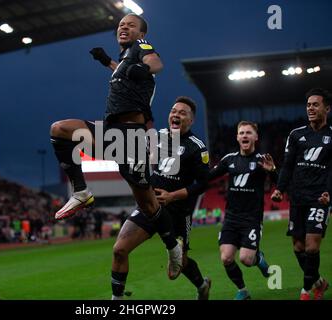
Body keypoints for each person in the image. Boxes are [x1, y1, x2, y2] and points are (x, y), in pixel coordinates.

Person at [49, 13, 182, 280]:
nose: (123, 27)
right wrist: (107, 61)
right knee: (60, 130)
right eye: (121, 24)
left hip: (131, 137)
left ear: (141, 33)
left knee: (148, 205)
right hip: (111, 132)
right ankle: (81, 191)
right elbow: (125, 71)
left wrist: (143, 68)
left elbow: (156, 65)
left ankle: (173, 247)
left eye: (130, 25)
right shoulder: (124, 59)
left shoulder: (142, 48)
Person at [111, 96, 211, 300]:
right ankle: (117, 300)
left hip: (178, 213)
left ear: (190, 121)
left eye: (182, 113)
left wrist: (173, 196)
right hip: (150, 206)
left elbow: (203, 184)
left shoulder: (197, 147)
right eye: (173, 111)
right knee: (120, 250)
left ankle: (202, 286)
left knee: (178, 268)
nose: (176, 114)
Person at [271, 88, 332, 300]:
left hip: (319, 198)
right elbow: (287, 166)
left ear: (327, 108)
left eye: (315, 104)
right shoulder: (296, 135)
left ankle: (305, 291)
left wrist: (329, 193)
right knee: (298, 247)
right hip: (297, 197)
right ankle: (318, 282)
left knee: (312, 246)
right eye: (308, 105)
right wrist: (279, 188)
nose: (311, 108)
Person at [209, 121, 275, 300]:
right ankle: (243, 290)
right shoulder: (229, 159)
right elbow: (207, 177)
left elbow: (280, 183)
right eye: (241, 133)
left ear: (255, 137)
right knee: (226, 258)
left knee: (246, 259)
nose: (244, 135)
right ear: (237, 137)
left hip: (251, 219)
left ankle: (258, 258)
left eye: (248, 132)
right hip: (231, 218)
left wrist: (273, 172)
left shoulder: (262, 160)